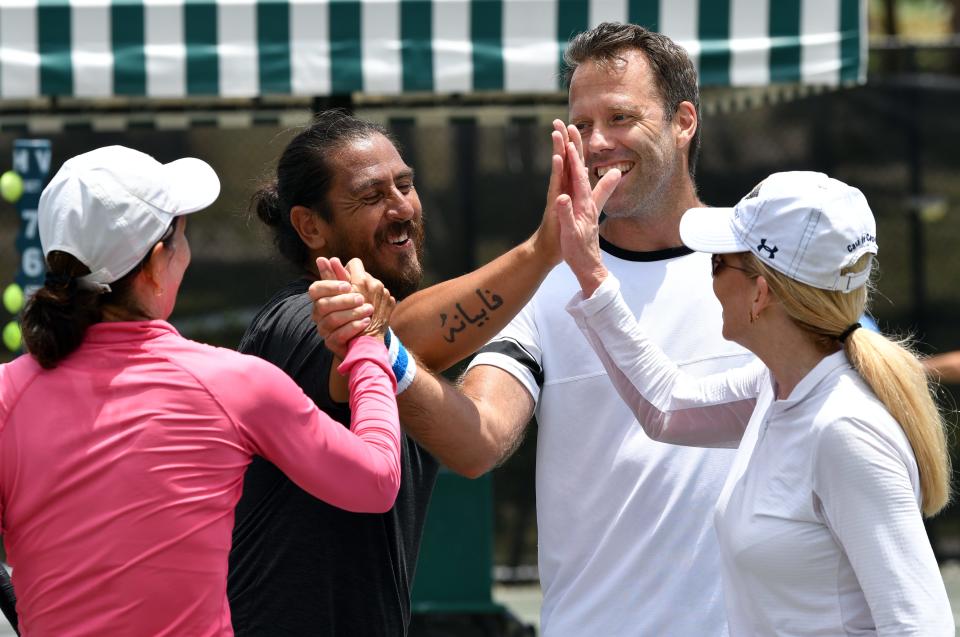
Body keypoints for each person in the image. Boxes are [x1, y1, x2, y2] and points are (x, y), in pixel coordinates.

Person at [311, 22, 755, 636]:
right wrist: (381, 348)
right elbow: (479, 441)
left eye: (621, 117)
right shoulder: (544, 281)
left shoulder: (765, 258)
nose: (597, 142)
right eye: (581, 124)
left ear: (684, 121)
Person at [0, 145, 402, 636]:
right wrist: (366, 339)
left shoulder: (7, 397)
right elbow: (376, 481)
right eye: (182, 237)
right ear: (155, 263)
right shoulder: (235, 384)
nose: (185, 254)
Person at [226, 110, 599, 635]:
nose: (402, 208)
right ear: (310, 226)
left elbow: (472, 439)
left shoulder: (398, 349)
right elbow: (383, 337)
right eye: (372, 196)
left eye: (405, 184)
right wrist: (542, 251)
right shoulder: (289, 323)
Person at [555, 158, 954, 634]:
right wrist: (591, 272)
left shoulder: (845, 431)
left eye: (718, 261)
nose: (710, 276)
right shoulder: (779, 388)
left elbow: (919, 625)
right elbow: (667, 404)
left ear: (761, 294)